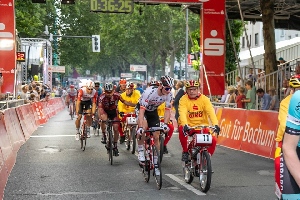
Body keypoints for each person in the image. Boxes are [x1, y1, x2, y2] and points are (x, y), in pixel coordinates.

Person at [136, 75, 174, 175]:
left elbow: (167, 111)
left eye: (170, 88)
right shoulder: (149, 93)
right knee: (143, 128)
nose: (168, 90)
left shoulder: (169, 95)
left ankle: (156, 161)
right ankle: (140, 151)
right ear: (161, 86)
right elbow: (141, 111)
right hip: (141, 109)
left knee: (156, 135)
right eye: (167, 88)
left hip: (153, 111)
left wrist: (165, 124)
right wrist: (140, 127)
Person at [178, 80, 220, 162]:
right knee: (181, 129)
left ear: (198, 89)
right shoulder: (183, 99)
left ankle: (205, 161)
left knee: (213, 140)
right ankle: (185, 151)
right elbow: (182, 112)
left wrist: (216, 124)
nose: (192, 91)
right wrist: (185, 124)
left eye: (194, 89)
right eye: (189, 89)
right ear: (186, 90)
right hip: (189, 125)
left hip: (202, 126)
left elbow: (211, 112)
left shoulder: (205, 99)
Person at [274, 75, 300, 198]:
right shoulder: (287, 102)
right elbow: (284, 125)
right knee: (280, 166)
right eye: (296, 89)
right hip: (286, 141)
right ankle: (280, 193)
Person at [98, 82, 136, 156]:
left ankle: (115, 145)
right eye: (107, 92)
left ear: (113, 90)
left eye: (110, 92)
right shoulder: (101, 97)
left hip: (113, 112)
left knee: (116, 128)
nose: (109, 94)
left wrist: (135, 105)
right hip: (104, 111)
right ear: (104, 91)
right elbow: (100, 109)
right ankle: (104, 135)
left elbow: (125, 102)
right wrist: (101, 118)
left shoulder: (117, 95)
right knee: (103, 119)